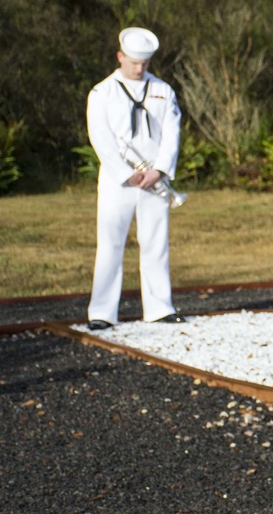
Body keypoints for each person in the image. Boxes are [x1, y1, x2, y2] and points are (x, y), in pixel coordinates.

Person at [86, 27, 184, 330]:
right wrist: (126, 174)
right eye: (133, 62)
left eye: (144, 63)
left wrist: (159, 170)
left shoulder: (163, 90)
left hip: (154, 180)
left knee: (156, 242)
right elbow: (100, 137)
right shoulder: (102, 92)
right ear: (120, 57)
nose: (139, 68)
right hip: (119, 182)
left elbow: (172, 132)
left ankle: (159, 308)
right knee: (110, 244)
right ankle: (102, 312)